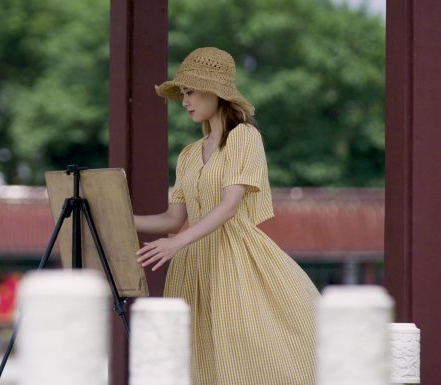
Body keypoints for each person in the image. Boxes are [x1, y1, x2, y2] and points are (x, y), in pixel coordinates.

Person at [134, 47, 319, 384]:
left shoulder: (244, 138)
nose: (186, 101)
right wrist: (117, 219)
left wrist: (176, 244)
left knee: (252, 354)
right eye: (184, 94)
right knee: (198, 359)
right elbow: (172, 219)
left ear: (216, 92)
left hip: (235, 259)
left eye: (192, 92)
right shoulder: (189, 154)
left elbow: (229, 206)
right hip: (194, 265)